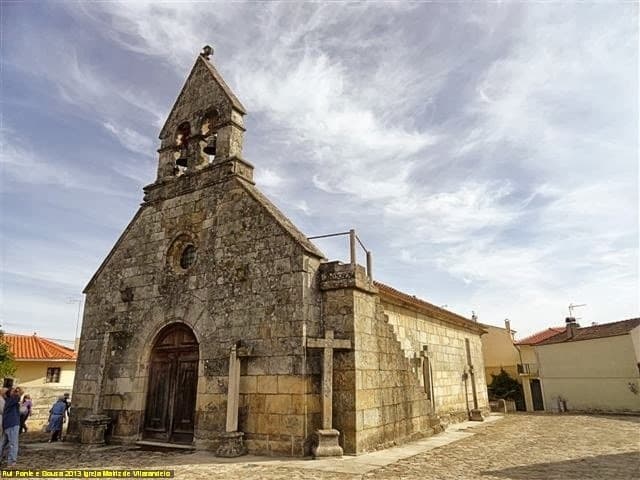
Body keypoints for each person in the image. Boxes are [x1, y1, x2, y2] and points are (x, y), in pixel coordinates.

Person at [1, 386, 22, 468]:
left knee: (2, 443)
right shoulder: (11, 399)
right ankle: (11, 462)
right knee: (13, 444)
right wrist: (18, 389)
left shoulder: (9, 401)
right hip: (12, 424)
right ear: (10, 394)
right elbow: (21, 392)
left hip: (7, 424)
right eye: (12, 391)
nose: (14, 392)